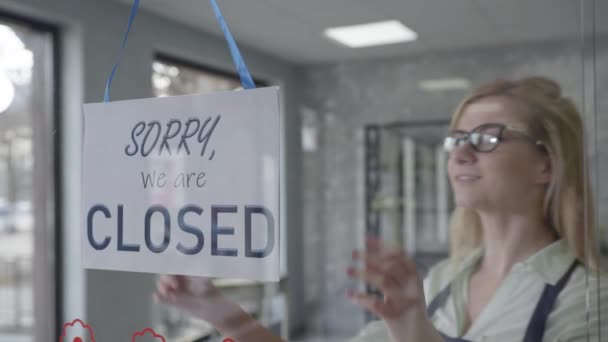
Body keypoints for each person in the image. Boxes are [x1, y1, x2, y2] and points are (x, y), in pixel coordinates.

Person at [155, 77, 607, 342]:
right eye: (456, 140)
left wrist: (417, 335)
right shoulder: (443, 282)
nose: (461, 154)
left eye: (488, 138)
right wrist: (216, 309)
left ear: (546, 164)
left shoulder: (590, 299)